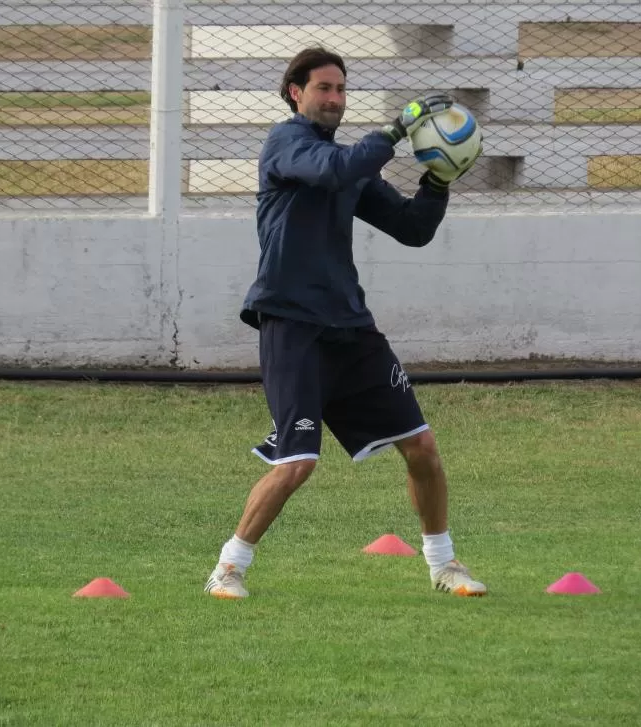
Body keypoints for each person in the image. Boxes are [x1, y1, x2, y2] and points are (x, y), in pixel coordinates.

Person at [204, 46, 486, 599]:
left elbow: (412, 229)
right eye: (323, 88)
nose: (334, 98)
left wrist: (440, 179)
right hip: (292, 325)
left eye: (340, 90)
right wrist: (398, 129)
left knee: (423, 448)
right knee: (297, 464)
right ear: (296, 93)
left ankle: (444, 565)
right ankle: (229, 568)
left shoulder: (352, 164)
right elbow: (334, 171)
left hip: (351, 329)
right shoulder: (287, 144)